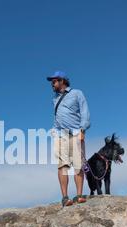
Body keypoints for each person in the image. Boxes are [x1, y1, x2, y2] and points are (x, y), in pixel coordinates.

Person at [47, 71, 91, 207]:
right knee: (62, 166)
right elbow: (57, 116)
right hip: (61, 135)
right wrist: (54, 131)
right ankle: (65, 198)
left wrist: (83, 130)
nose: (52, 84)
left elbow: (85, 112)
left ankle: (79, 195)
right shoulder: (55, 98)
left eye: (54, 81)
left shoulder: (77, 93)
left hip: (76, 133)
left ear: (62, 81)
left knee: (78, 165)